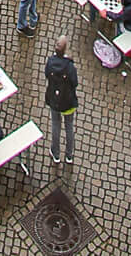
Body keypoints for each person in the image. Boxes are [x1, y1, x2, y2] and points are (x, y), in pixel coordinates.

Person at [44, 38, 77, 167]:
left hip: (54, 100)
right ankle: (69, 155)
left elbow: (47, 75)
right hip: (68, 102)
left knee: (55, 125)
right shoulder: (69, 66)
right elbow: (75, 82)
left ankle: (56, 154)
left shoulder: (51, 63)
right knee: (69, 126)